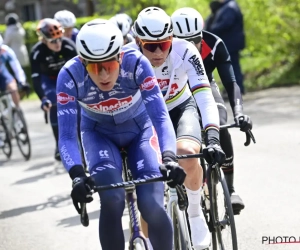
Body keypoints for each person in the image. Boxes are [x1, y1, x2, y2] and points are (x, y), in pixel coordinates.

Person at [56, 18, 186, 250]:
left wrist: (169, 157)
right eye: (95, 68)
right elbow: (66, 135)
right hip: (98, 134)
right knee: (112, 199)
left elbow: (160, 116)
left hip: (140, 130)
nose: (104, 75)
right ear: (83, 61)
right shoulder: (69, 75)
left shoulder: (136, 63)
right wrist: (77, 175)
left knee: (151, 204)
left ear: (120, 57)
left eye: (110, 66)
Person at [128, 7, 226, 250]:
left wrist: (212, 136)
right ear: (139, 41)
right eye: (150, 46)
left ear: (173, 38)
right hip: (145, 116)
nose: (159, 51)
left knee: (186, 151)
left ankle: (194, 212)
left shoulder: (185, 50)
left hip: (181, 107)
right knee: (148, 184)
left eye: (164, 43)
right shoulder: (127, 56)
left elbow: (204, 95)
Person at [171, 7, 253, 215]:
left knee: (219, 124)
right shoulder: (165, 50)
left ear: (202, 35)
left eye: (195, 41)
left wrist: (239, 112)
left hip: (206, 87)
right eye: (184, 42)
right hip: (178, 93)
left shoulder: (214, 44)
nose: (191, 47)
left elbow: (230, 81)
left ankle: (231, 189)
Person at [30, 18, 77, 161]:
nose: (58, 44)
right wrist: (43, 98)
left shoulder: (68, 45)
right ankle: (59, 144)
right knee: (54, 103)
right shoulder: (37, 52)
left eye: (59, 39)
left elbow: (79, 70)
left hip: (67, 76)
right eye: (53, 41)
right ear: (44, 40)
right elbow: (36, 78)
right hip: (49, 80)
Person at [205, 0, 246, 94]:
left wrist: (211, 29)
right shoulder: (226, 6)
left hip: (231, 43)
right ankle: (235, 89)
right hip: (230, 43)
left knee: (233, 67)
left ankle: (236, 90)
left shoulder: (230, 7)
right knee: (232, 66)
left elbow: (226, 23)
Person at [0, 34, 29, 108]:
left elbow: (16, 67)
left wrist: (22, 81)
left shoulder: (6, 50)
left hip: (2, 73)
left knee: (13, 88)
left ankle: (17, 110)